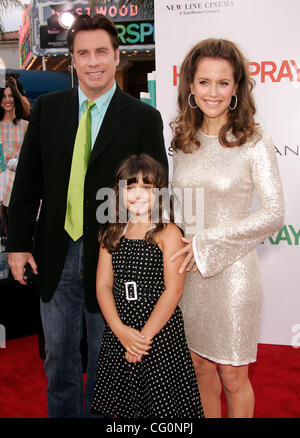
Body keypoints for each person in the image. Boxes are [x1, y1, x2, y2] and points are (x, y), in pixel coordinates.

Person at [7, 14, 168, 418]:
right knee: (58, 361)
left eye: (101, 52)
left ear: (117, 56)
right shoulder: (46, 111)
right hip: (55, 253)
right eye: (83, 53)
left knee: (108, 362)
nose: (93, 61)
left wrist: (154, 255)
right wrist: (18, 246)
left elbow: (157, 194)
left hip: (116, 257)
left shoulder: (143, 118)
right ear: (72, 60)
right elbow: (27, 184)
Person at [170, 38, 284, 418]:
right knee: (200, 369)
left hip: (234, 277)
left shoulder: (253, 142)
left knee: (234, 377)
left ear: (236, 87)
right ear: (190, 86)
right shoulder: (183, 143)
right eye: (204, 82)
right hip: (189, 275)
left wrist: (207, 241)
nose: (213, 92)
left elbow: (273, 214)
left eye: (223, 82)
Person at [91, 154, 204, 418]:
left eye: (147, 188)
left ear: (161, 193)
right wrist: (120, 331)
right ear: (119, 192)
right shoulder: (112, 231)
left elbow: (173, 290)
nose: (137, 195)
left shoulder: (168, 233)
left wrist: (142, 340)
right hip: (121, 332)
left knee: (162, 408)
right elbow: (103, 285)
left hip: (159, 336)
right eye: (130, 187)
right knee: (129, 407)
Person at [0, 83, 28, 238]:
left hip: (21, 173)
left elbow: (31, 153)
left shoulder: (25, 126)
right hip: (1, 173)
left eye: (11, 95)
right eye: (4, 96)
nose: (7, 99)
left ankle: (15, 233)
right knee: (3, 180)